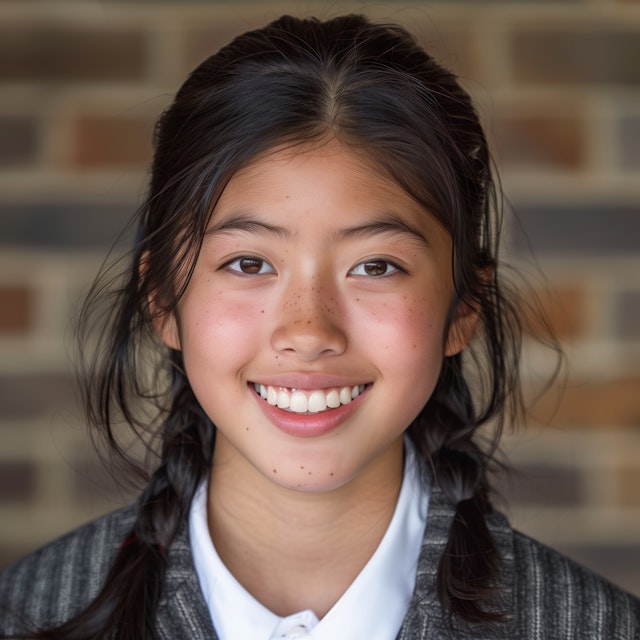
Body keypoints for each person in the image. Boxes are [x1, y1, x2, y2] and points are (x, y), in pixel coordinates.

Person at [0, 13, 638, 640]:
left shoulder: (598, 627)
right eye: (249, 263)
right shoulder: (26, 612)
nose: (308, 330)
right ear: (163, 298)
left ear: (462, 308)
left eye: (376, 266)